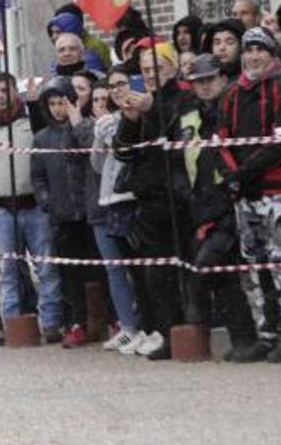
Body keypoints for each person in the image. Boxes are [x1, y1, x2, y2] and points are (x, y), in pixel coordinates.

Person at [218, 27, 281, 363]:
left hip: (278, 188)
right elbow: (223, 136)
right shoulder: (232, 92)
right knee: (256, 264)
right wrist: (233, 175)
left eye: (260, 50)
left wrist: (244, 172)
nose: (253, 56)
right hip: (245, 192)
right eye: (249, 50)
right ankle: (267, 331)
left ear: (271, 54)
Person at [113, 39, 198, 360]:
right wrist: (131, 120)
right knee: (153, 273)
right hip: (148, 198)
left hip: (178, 197)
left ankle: (185, 330)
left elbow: (183, 135)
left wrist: (154, 109)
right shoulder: (142, 101)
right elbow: (123, 151)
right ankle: (162, 328)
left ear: (171, 69)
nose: (150, 75)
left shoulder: (183, 97)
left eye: (157, 68)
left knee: (181, 270)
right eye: (145, 69)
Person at [0, 72, 61, 345]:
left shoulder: (33, 122)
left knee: (46, 267)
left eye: (3, 90)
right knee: (8, 271)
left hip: (35, 207)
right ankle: (12, 323)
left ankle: (52, 322)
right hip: (0, 210)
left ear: (14, 91)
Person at [182, 55, 256, 360]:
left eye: (210, 79)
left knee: (209, 267)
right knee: (224, 279)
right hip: (202, 204)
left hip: (231, 200)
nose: (205, 86)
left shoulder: (232, 109)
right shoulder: (189, 117)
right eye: (199, 81)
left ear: (223, 79)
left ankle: (244, 335)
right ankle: (243, 340)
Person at [31, 76, 99, 347]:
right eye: (53, 104)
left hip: (89, 213)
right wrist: (48, 203)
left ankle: (108, 320)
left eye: (62, 102)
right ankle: (77, 322)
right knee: (70, 276)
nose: (58, 109)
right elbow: (38, 177)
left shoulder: (82, 129)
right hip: (62, 217)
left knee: (99, 271)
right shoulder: (41, 139)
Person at [87, 70, 142, 353]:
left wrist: (114, 130)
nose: (115, 92)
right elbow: (97, 166)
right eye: (112, 87)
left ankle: (143, 325)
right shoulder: (104, 123)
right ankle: (127, 326)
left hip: (131, 197)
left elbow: (130, 154)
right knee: (115, 269)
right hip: (107, 200)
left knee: (138, 268)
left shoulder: (133, 116)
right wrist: (99, 136)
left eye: (121, 85)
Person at [48, 5, 113, 72]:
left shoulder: (92, 54)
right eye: (61, 50)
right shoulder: (55, 62)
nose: (53, 37)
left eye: (58, 32)